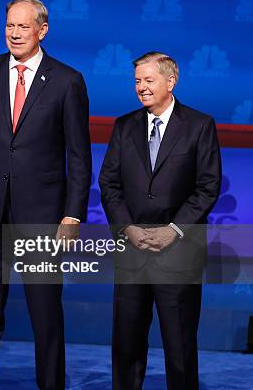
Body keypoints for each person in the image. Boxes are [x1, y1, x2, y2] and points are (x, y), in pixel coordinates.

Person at [0, 0, 92, 390]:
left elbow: (78, 156)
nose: (14, 33)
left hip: (42, 219)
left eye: (23, 27)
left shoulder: (67, 80)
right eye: (9, 25)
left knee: (45, 317)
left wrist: (72, 214)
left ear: (42, 31)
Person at [98, 52, 221, 389]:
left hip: (179, 252)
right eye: (137, 81)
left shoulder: (199, 125)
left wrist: (174, 230)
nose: (141, 88)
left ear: (171, 81)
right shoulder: (124, 126)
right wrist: (127, 228)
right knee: (126, 345)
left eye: (148, 80)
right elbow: (108, 183)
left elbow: (208, 186)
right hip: (132, 250)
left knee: (179, 347)